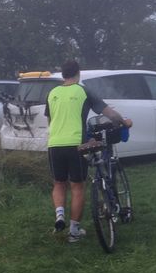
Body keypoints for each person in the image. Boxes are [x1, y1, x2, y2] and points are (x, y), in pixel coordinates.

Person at [44, 60, 133, 243]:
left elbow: (51, 121)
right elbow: (110, 114)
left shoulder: (52, 93)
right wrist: (124, 122)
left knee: (59, 183)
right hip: (76, 144)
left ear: (62, 75)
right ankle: (74, 231)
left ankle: (59, 215)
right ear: (78, 73)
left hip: (54, 144)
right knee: (77, 186)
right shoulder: (83, 91)